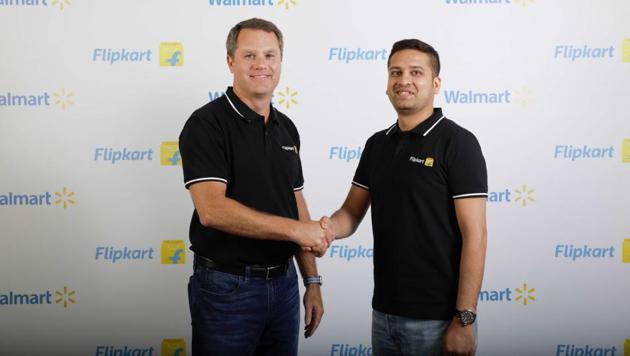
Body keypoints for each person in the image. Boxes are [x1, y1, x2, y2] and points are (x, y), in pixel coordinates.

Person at [321, 39, 488, 356]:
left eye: (416, 72)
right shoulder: (377, 145)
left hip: (438, 319)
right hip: (383, 314)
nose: (404, 80)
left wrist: (464, 319)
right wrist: (324, 229)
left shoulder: (458, 143)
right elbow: (351, 213)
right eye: (395, 72)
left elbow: (475, 235)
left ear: (436, 83)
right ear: (387, 84)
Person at [179, 18, 332, 355]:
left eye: (270, 55)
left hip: (284, 286)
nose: (261, 64)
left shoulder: (286, 128)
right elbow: (212, 210)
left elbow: (295, 203)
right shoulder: (206, 124)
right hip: (227, 288)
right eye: (249, 55)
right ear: (231, 61)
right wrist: (297, 231)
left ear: (280, 62)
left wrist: (312, 280)